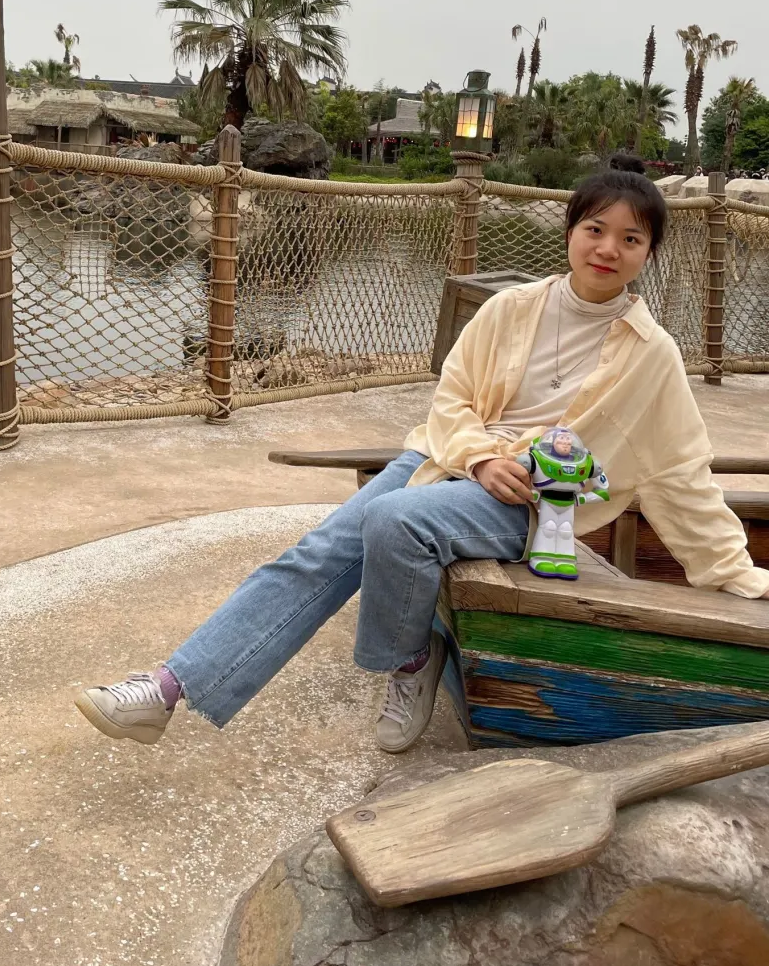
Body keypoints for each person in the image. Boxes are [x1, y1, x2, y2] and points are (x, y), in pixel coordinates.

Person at [76, 155, 769, 753]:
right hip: (452, 460)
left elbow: (680, 472)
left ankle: (409, 661)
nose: (608, 248)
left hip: (533, 503)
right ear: (570, 231)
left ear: (648, 253)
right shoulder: (511, 309)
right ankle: (167, 688)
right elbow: (452, 399)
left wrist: (737, 576)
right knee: (319, 550)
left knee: (394, 521)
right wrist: (479, 457)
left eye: (630, 238)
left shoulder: (653, 355)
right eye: (595, 229)